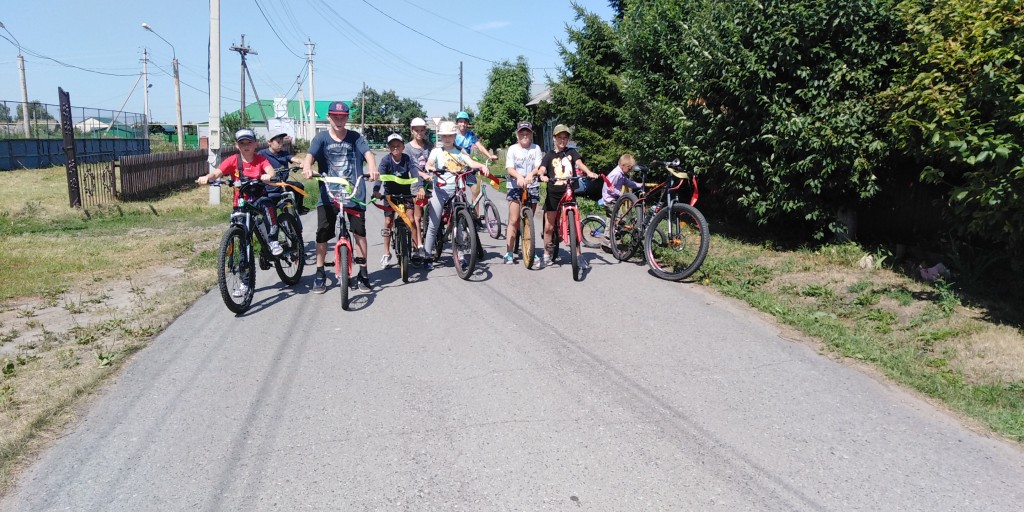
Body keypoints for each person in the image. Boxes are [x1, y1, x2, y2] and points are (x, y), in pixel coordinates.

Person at [301, 101, 379, 294]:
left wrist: (372, 168)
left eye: (342, 117)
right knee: (322, 233)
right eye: (335, 116)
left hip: (354, 194)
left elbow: (368, 154)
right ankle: (320, 273)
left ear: (347, 118)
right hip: (329, 194)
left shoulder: (355, 137)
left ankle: (363, 273)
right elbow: (310, 155)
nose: (338, 120)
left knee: (359, 233)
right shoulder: (321, 138)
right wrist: (307, 167)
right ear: (328, 117)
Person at [196, 128, 283, 258]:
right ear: (237, 145)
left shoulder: (260, 159)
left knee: (268, 206)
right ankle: (244, 263)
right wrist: (206, 177)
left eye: (249, 143)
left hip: (259, 198)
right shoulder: (232, 160)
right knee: (242, 231)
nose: (246, 146)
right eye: (242, 143)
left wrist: (268, 175)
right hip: (241, 201)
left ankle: (273, 241)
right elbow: (216, 173)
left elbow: (270, 171)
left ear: (255, 144)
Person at [422, 120, 494, 270]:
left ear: (455, 136)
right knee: (434, 224)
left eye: (450, 135)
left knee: (459, 223)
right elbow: (429, 163)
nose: (447, 138)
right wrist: (429, 167)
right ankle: (427, 256)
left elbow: (470, 162)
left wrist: (482, 166)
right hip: (440, 191)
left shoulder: (460, 151)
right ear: (441, 137)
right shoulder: (436, 151)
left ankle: (461, 256)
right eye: (444, 136)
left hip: (457, 190)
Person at [538, 124, 599, 269]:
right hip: (554, 193)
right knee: (549, 226)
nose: (562, 140)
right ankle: (546, 254)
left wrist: (589, 172)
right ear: (554, 138)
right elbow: (542, 168)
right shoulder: (549, 155)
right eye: (559, 137)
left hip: (569, 190)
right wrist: (542, 175)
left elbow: (579, 163)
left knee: (574, 226)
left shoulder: (571, 152)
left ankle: (578, 255)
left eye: (565, 138)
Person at [373, 133, 425, 269]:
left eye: (398, 146)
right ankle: (386, 253)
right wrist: (376, 190)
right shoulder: (385, 161)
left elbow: (415, 173)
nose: (395, 148)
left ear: (403, 147)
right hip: (390, 196)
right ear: (389, 148)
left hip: (405, 194)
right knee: (388, 222)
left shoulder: (407, 159)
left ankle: (415, 250)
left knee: (411, 220)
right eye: (392, 146)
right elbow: (380, 176)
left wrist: (420, 188)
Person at [502, 120, 543, 265]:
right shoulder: (513, 149)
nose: (524, 135)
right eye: (522, 133)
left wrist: (531, 174)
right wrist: (519, 177)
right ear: (517, 134)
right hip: (515, 185)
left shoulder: (536, 148)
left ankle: (531, 250)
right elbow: (510, 168)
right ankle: (509, 252)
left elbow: (539, 166)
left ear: (531, 134)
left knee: (528, 221)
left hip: (532, 185)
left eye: (527, 133)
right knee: (514, 220)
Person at [453, 111, 498, 220]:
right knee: (455, 192)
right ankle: (456, 217)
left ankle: (475, 217)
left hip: (467, 165)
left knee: (475, 190)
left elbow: (480, 146)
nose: (463, 124)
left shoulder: (470, 135)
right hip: (454, 166)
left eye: (465, 122)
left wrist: (490, 156)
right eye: (460, 121)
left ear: (467, 123)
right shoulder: (453, 135)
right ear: (457, 123)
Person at [404, 117, 432, 260]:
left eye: (422, 130)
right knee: (418, 215)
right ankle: (418, 244)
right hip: (415, 182)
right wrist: (423, 175)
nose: (419, 133)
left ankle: (433, 240)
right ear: (412, 131)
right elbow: (411, 168)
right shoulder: (407, 148)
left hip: (430, 181)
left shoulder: (429, 146)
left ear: (425, 131)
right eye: (416, 130)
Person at [258, 132, 308, 214]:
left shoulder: (284, 154)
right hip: (268, 186)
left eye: (282, 142)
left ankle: (299, 208)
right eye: (278, 142)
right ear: (269, 142)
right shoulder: (262, 154)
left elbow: (295, 159)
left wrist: (302, 162)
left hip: (282, 184)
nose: (281, 144)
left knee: (299, 186)